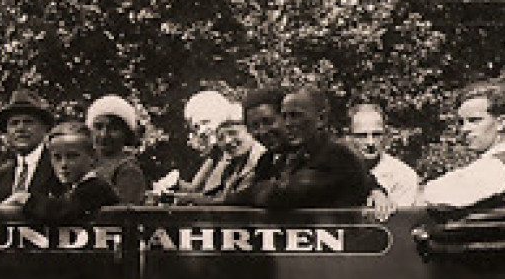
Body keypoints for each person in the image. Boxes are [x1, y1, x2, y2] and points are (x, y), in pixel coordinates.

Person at [227, 86, 371, 210]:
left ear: (320, 119)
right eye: (285, 117)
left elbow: (282, 194)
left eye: (295, 116)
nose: (288, 123)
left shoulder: (337, 154)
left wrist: (227, 199)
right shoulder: (279, 158)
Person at [421, 79, 505, 214]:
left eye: (475, 121)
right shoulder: (500, 161)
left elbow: (439, 196)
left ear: (501, 123)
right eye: (461, 122)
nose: (465, 129)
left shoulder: (496, 166)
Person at [22, 122, 122, 224]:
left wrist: (26, 200)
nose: (63, 164)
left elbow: (62, 211)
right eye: (57, 157)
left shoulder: (96, 188)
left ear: (92, 157)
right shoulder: (69, 189)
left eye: (72, 156)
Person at [0, 89, 59, 203]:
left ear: (44, 128)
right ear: (7, 132)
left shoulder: (59, 167)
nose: (20, 129)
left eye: (28, 122)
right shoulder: (0, 175)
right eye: (14, 123)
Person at [347, 103, 421, 208]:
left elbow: (398, 222)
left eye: (376, 135)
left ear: (385, 135)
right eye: (362, 136)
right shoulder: (334, 168)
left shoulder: (403, 176)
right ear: (350, 137)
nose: (370, 142)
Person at [85, 94, 150, 204]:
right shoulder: (85, 162)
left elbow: (123, 214)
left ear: (126, 133)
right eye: (98, 127)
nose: (104, 135)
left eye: (114, 128)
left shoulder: (128, 170)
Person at [177, 89, 238, 195]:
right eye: (196, 127)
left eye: (206, 122)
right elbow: (194, 190)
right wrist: (175, 182)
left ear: (223, 118)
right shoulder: (216, 153)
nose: (201, 132)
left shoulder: (238, 150)